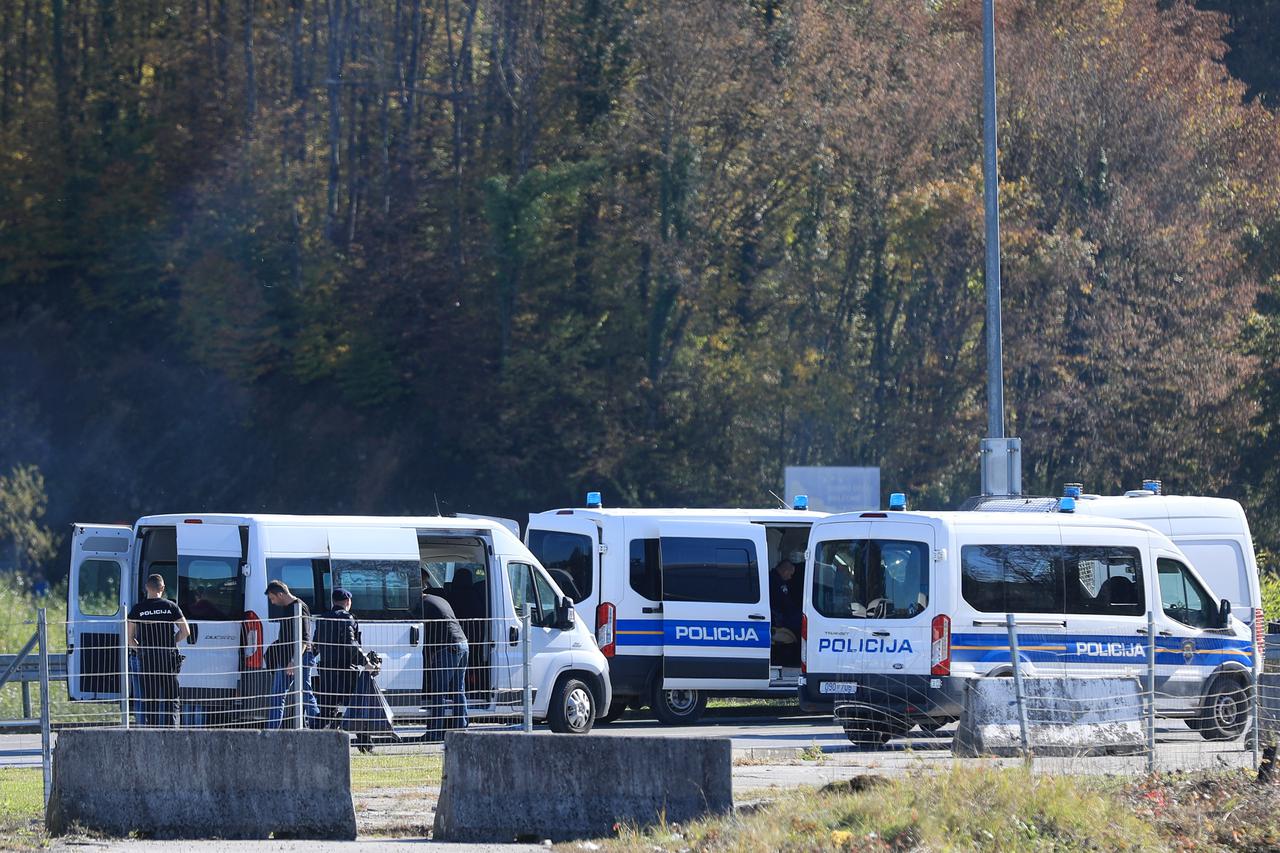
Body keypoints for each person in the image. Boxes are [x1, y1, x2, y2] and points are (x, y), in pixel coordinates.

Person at [126, 574, 190, 728]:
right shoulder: (171, 606)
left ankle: (151, 730)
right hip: (168, 659)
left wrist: (142, 650)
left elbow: (129, 638)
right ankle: (171, 731)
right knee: (171, 698)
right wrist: (170, 642)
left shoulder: (138, 609)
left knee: (150, 699)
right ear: (162, 588)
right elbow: (186, 631)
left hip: (148, 660)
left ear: (146, 587)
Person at [264, 580, 319, 729]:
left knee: (304, 692)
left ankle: (319, 725)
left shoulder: (299, 607)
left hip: (300, 657)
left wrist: (294, 660)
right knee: (279, 695)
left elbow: (304, 639)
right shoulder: (288, 608)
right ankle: (272, 731)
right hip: (287, 658)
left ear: (280, 594)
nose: (272, 602)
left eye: (272, 598)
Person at [313, 588, 365, 729]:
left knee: (327, 709)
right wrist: (365, 662)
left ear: (333, 601)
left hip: (326, 669)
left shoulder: (322, 619)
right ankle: (365, 742)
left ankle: (319, 739)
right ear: (348, 601)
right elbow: (351, 643)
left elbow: (315, 645)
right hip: (346, 669)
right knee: (354, 707)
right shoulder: (347, 618)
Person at [423, 591, 469, 738]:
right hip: (463, 643)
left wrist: (430, 656)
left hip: (448, 647)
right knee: (458, 689)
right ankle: (460, 729)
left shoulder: (423, 605)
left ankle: (434, 733)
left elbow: (427, 634)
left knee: (439, 692)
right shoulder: (438, 600)